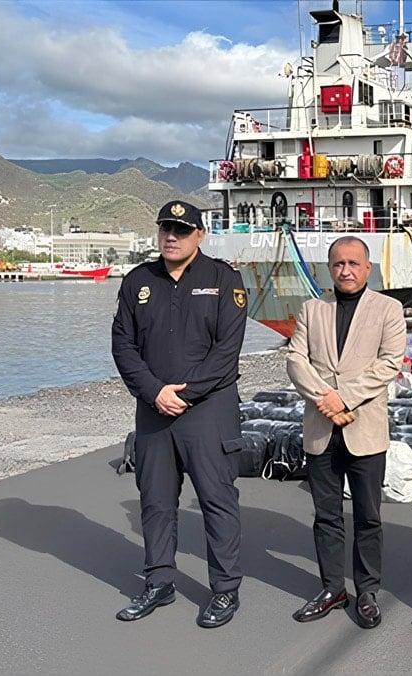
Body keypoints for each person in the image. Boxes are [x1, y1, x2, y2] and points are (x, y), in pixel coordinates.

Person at [111, 200, 247, 628]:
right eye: (165, 228)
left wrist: (184, 395)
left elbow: (227, 350)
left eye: (182, 230)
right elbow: (122, 345)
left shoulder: (224, 279)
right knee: (155, 500)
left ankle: (225, 589)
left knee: (216, 500)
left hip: (208, 410)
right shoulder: (138, 281)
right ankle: (159, 582)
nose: (172, 236)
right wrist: (154, 392)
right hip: (154, 410)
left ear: (199, 235)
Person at [286, 236, 406, 628]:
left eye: (354, 263)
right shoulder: (312, 309)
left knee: (368, 515)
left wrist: (344, 398)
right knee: (326, 515)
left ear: (368, 268)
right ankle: (332, 588)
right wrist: (325, 398)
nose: (346, 270)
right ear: (329, 268)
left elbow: (389, 363)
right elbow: (296, 359)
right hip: (321, 427)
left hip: (364, 427)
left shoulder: (388, 309)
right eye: (338, 264)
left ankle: (367, 590)